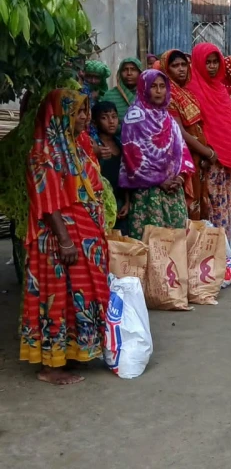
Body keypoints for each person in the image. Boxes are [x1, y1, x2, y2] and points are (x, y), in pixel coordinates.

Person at [19, 89, 111, 385]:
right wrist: (66, 240)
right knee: (57, 297)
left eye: (85, 111)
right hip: (61, 240)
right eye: (77, 112)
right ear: (60, 116)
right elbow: (46, 201)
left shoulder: (76, 147)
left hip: (85, 236)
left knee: (77, 297)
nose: (84, 117)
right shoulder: (43, 154)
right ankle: (51, 367)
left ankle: (71, 353)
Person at [185, 43, 231, 229]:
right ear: (199, 62)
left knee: (223, 203)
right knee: (206, 207)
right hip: (204, 160)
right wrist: (206, 152)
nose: (213, 66)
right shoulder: (191, 89)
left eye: (216, 62)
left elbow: (228, 128)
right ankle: (208, 251)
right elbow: (195, 127)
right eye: (208, 62)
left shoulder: (222, 90)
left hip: (224, 163)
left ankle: (222, 249)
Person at [118, 70, 193, 239]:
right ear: (144, 88)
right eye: (153, 86)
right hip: (148, 193)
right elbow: (132, 157)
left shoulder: (167, 118)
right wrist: (160, 181)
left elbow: (181, 150)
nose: (159, 91)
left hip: (173, 190)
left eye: (162, 86)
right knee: (150, 243)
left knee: (175, 245)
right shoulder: (134, 117)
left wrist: (180, 178)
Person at [160, 50, 212, 219]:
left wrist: (205, 153)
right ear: (166, 69)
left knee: (201, 205)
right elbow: (179, 132)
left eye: (184, 65)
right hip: (183, 160)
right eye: (175, 66)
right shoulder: (166, 96)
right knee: (188, 210)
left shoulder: (188, 94)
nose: (181, 69)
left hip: (199, 159)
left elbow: (199, 127)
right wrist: (208, 153)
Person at [91, 101, 126, 227]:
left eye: (114, 116)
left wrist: (127, 202)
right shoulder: (94, 146)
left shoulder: (121, 144)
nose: (111, 121)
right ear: (94, 123)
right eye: (104, 118)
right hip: (102, 203)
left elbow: (126, 175)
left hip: (121, 204)